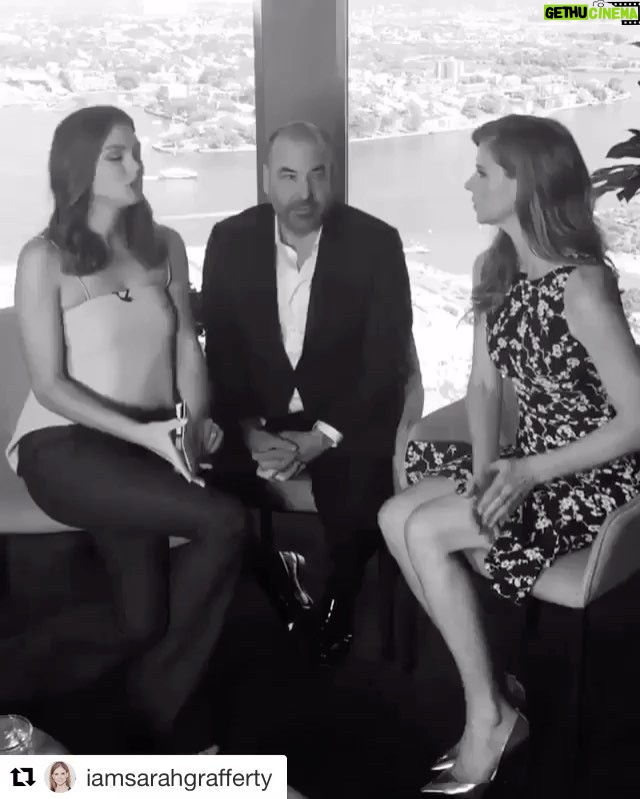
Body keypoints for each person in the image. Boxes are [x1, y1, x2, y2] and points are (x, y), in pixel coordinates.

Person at [4, 105, 300, 749]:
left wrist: (193, 422)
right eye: (117, 155)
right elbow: (49, 385)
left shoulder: (164, 245)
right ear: (78, 167)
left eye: (137, 151)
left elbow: (187, 347)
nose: (137, 166)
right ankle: (155, 716)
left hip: (145, 445)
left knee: (140, 621)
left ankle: (21, 680)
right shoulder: (42, 258)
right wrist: (147, 437)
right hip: (61, 446)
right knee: (223, 520)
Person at [378, 114, 640, 793]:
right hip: (526, 461)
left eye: (483, 172)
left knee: (425, 530)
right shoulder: (495, 267)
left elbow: (638, 421)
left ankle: (488, 716)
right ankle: (493, 685)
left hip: (594, 478)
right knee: (393, 515)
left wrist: (526, 472)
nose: (469, 184)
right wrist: (487, 469)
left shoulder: (583, 287)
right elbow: (484, 386)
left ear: (525, 184)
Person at [201, 121, 413, 664]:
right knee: (204, 487)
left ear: (332, 175)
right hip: (256, 415)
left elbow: (384, 361)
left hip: (345, 415)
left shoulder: (377, 243)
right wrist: (248, 431)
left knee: (357, 493)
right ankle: (273, 570)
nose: (304, 192)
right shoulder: (229, 240)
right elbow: (221, 350)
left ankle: (341, 597)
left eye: (317, 174)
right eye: (289, 176)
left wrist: (322, 437)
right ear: (266, 179)